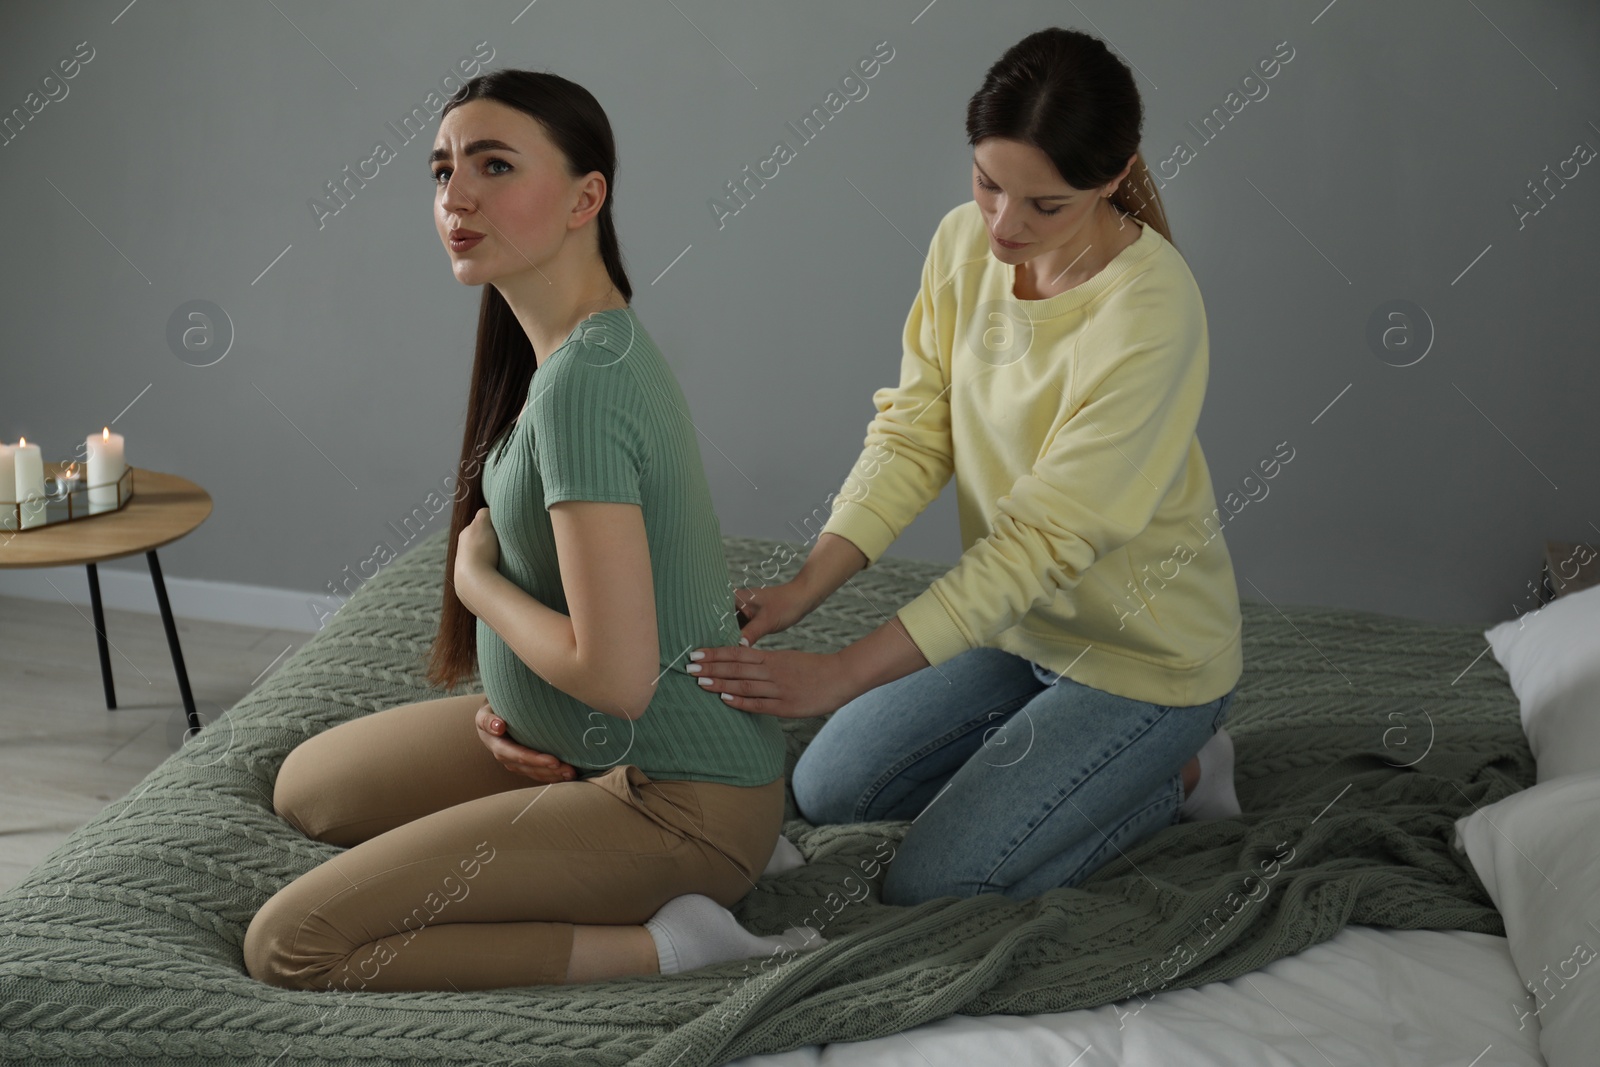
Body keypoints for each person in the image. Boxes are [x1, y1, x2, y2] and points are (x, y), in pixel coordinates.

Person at [244, 70, 822, 994]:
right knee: (310, 790)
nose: (455, 197)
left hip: (676, 799)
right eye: (441, 172)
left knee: (292, 944)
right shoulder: (572, 348)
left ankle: (685, 944)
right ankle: (612, 829)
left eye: (494, 165)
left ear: (586, 197)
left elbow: (616, 674)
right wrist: (533, 716)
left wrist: (477, 585)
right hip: (586, 752)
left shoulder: (585, 381)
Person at [682, 26, 1246, 906]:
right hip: (1022, 633)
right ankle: (1059, 745)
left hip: (1144, 660)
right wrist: (805, 587)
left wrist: (841, 671)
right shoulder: (962, 246)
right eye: (987, 184)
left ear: (1112, 177)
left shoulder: (1152, 309)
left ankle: (1182, 771)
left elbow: (1040, 542)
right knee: (828, 789)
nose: (1004, 224)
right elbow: (916, 431)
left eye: (1044, 205)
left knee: (934, 883)